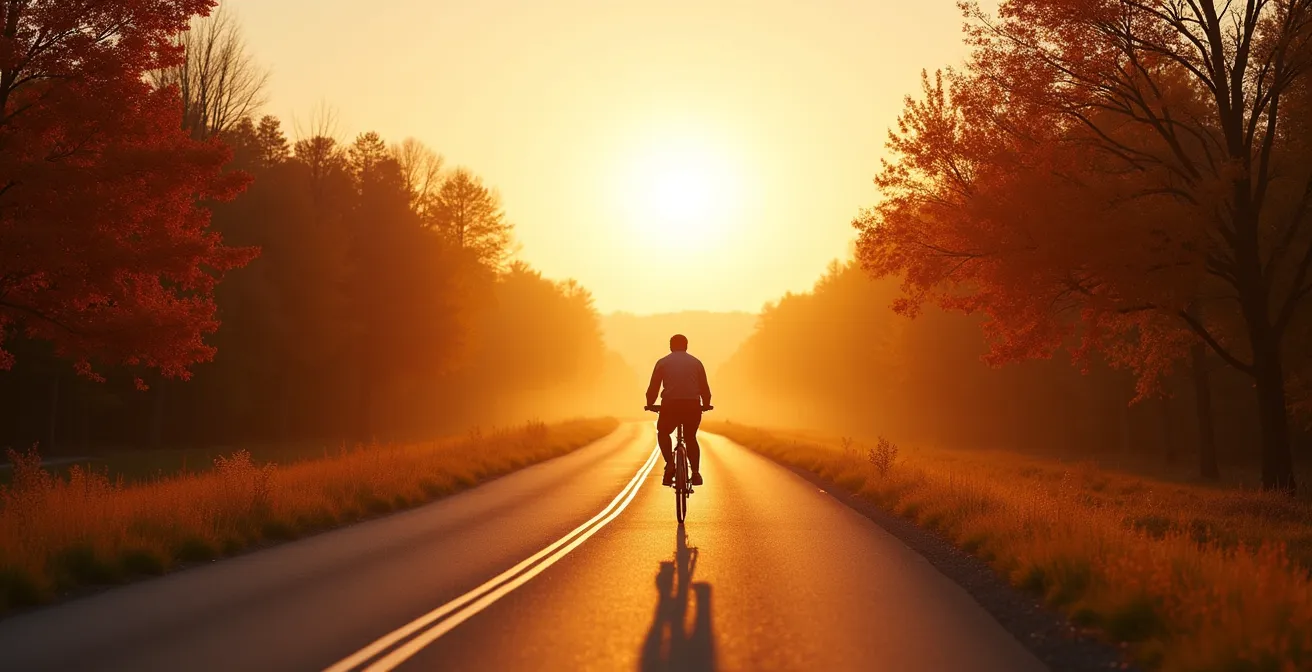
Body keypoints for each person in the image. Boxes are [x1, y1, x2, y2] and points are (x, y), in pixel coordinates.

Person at [645, 334, 712, 486]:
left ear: (670, 346)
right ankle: (695, 473)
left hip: (670, 405)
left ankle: (670, 464)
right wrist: (706, 403)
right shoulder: (696, 363)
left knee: (663, 432)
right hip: (692, 406)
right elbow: (704, 387)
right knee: (691, 438)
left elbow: (654, 387)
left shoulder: (663, 362)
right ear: (686, 346)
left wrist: (650, 403)